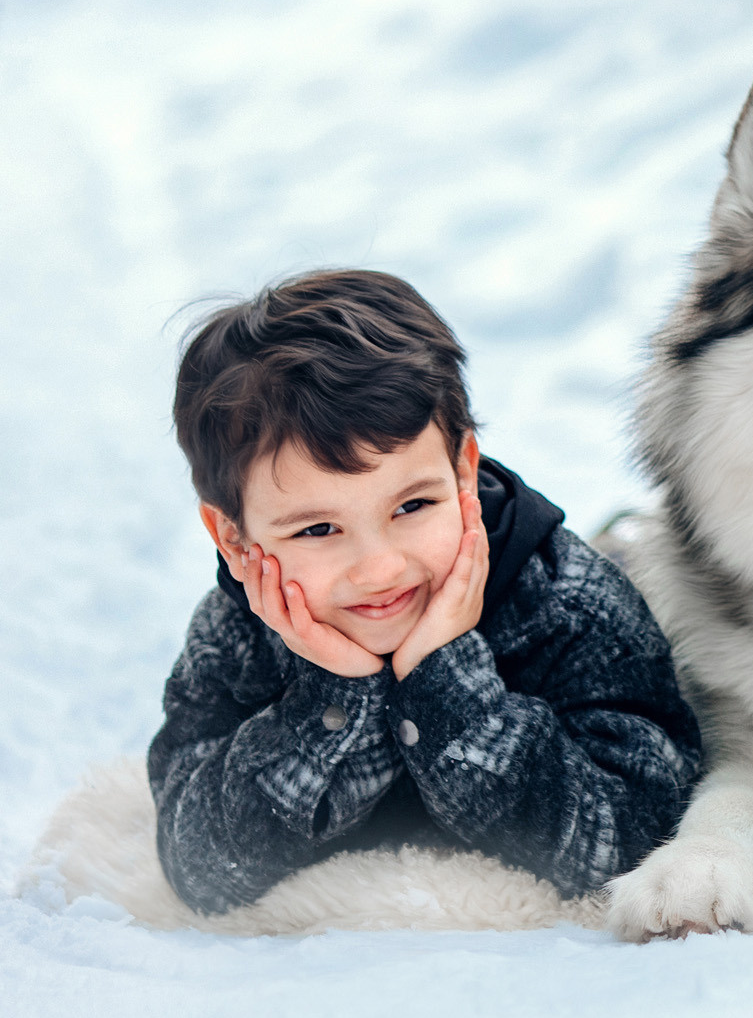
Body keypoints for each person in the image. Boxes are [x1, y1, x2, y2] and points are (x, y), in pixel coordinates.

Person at [149, 269, 702, 914]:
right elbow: (199, 868)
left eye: (412, 505)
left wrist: (446, 684)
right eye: (319, 528)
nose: (380, 568)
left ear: (463, 470)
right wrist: (335, 699)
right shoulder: (238, 632)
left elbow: (635, 837)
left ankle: (627, 537)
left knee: (638, 576)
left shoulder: (569, 605)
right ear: (235, 538)